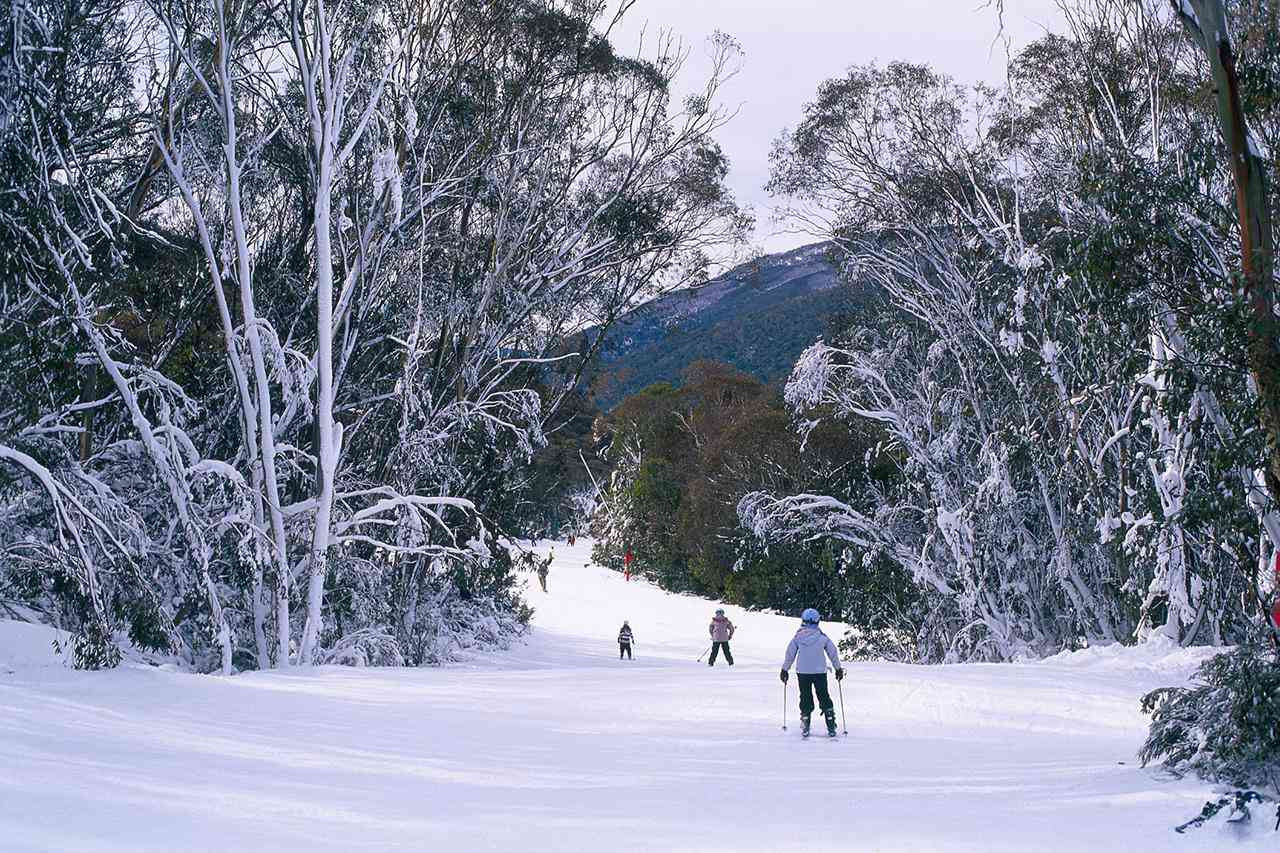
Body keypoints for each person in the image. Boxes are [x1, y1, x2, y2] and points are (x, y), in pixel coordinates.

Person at [779, 608, 844, 737]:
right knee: (823, 695)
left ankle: (805, 722)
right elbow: (833, 653)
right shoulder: (822, 638)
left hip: (803, 672)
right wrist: (838, 668)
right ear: (817, 621)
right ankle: (830, 723)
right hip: (819, 671)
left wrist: (784, 669)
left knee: (805, 696)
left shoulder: (797, 638)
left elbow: (790, 654)